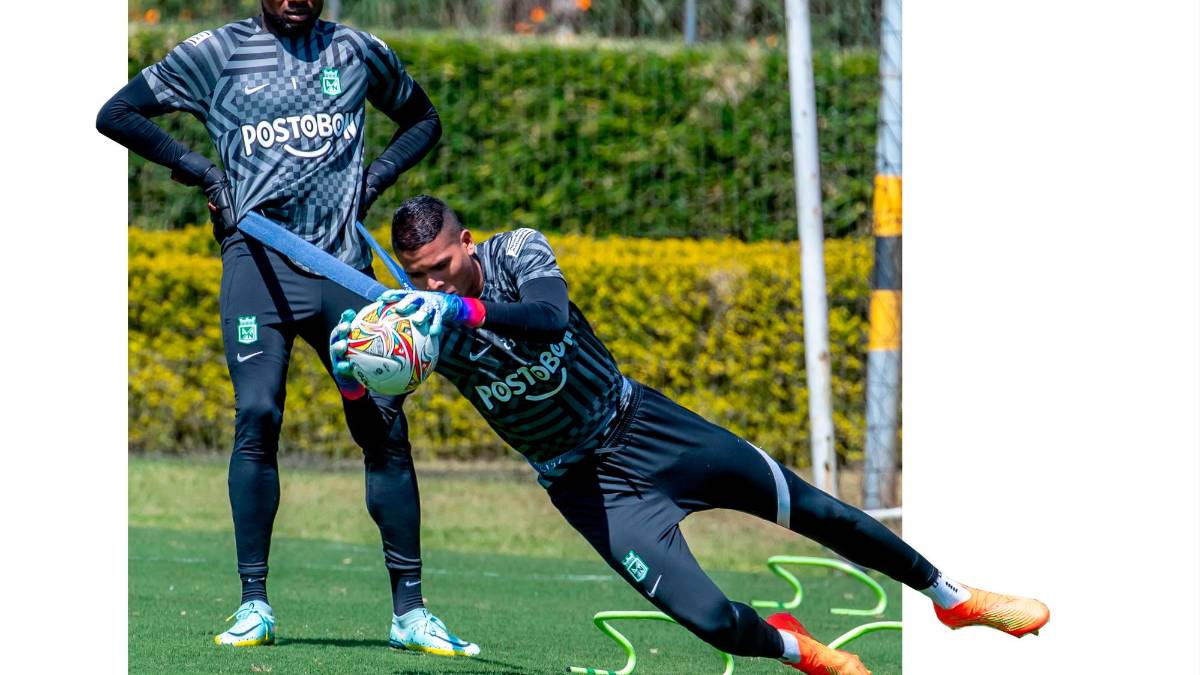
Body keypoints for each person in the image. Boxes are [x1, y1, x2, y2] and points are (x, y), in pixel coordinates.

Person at [330, 195, 1051, 675]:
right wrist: (355, 379)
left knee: (815, 510)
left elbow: (548, 318)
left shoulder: (516, 252)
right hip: (587, 487)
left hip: (648, 427)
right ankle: (800, 649)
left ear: (466, 242)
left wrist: (464, 312)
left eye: (443, 268)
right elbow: (378, 439)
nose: (433, 286)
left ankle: (952, 597)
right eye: (420, 277)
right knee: (710, 621)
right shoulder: (419, 328)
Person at [96, 0, 479, 656]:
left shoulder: (356, 51)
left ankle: (411, 613)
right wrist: (204, 174)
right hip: (257, 262)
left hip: (340, 264)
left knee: (383, 425)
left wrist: (374, 179)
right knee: (257, 413)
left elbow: (424, 120)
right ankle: (254, 603)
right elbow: (117, 113)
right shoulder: (218, 52)